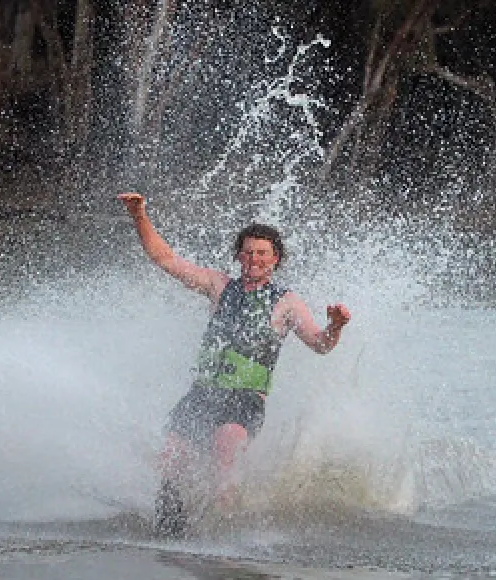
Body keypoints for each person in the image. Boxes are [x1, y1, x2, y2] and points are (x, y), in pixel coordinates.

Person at [117, 192, 351, 536]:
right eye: (248, 252)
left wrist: (336, 326)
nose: (254, 259)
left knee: (225, 444)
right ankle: (170, 526)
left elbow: (319, 345)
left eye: (262, 253)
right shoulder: (218, 285)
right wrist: (139, 214)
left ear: (276, 259)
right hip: (203, 393)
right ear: (238, 255)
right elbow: (164, 259)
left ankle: (221, 534)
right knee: (170, 456)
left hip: (245, 399)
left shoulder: (286, 303)